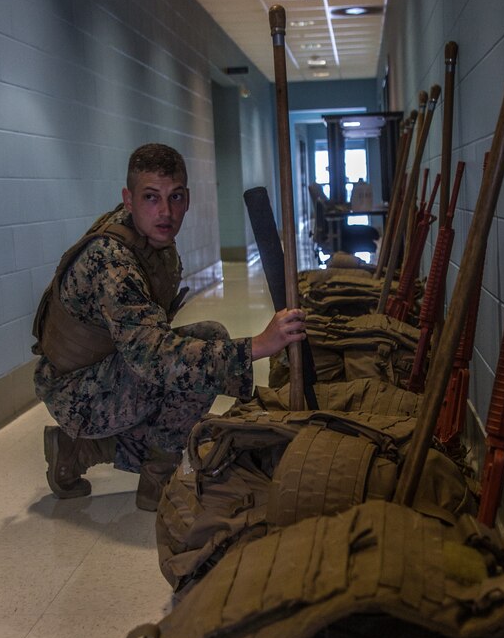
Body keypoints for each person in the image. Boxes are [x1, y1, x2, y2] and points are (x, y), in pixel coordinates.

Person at [32, 143, 306, 510]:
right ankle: (148, 475)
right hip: (76, 393)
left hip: (104, 372)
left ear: (188, 198)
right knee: (196, 364)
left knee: (203, 351)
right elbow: (156, 360)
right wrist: (257, 345)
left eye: (175, 197)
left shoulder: (151, 239)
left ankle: (78, 450)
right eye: (151, 197)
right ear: (128, 200)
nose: (166, 212)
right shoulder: (112, 261)